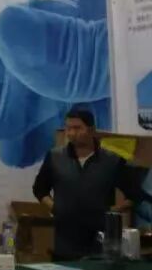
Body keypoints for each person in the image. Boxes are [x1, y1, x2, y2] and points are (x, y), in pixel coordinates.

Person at [33, 108, 152, 260]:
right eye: (68, 128)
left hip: (100, 244)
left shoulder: (112, 161)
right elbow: (40, 189)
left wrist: (112, 212)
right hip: (65, 243)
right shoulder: (55, 157)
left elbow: (135, 194)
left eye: (77, 128)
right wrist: (55, 207)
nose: (71, 133)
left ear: (91, 130)